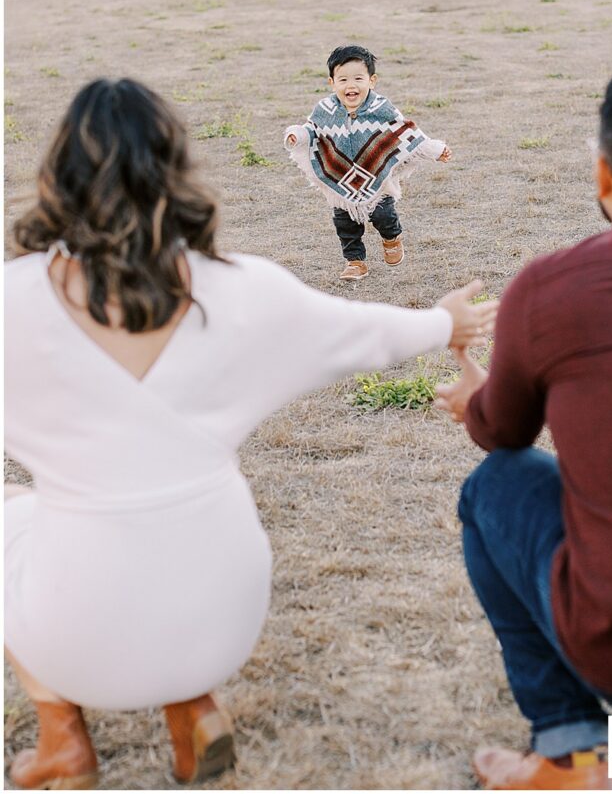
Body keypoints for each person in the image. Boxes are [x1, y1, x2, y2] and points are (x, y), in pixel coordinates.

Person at [4, 77, 497, 790]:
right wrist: (445, 322)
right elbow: (367, 332)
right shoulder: (242, 289)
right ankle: (191, 703)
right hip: (222, 620)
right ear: (177, 172)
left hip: (73, 635)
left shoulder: (11, 302)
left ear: (56, 178)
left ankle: (63, 739)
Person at [435, 64, 612, 791]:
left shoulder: (553, 287)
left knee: (496, 488)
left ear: (605, 175)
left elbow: (501, 434)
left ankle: (576, 753)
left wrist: (475, 399)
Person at [284, 44, 452, 281]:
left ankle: (392, 237)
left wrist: (435, 149)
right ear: (331, 83)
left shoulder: (381, 108)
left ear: (372, 81)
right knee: (344, 223)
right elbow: (311, 130)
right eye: (342, 79)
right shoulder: (325, 109)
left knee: (383, 214)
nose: (350, 85)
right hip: (341, 181)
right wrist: (297, 135)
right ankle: (355, 261)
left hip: (377, 180)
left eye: (358, 78)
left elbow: (405, 132)